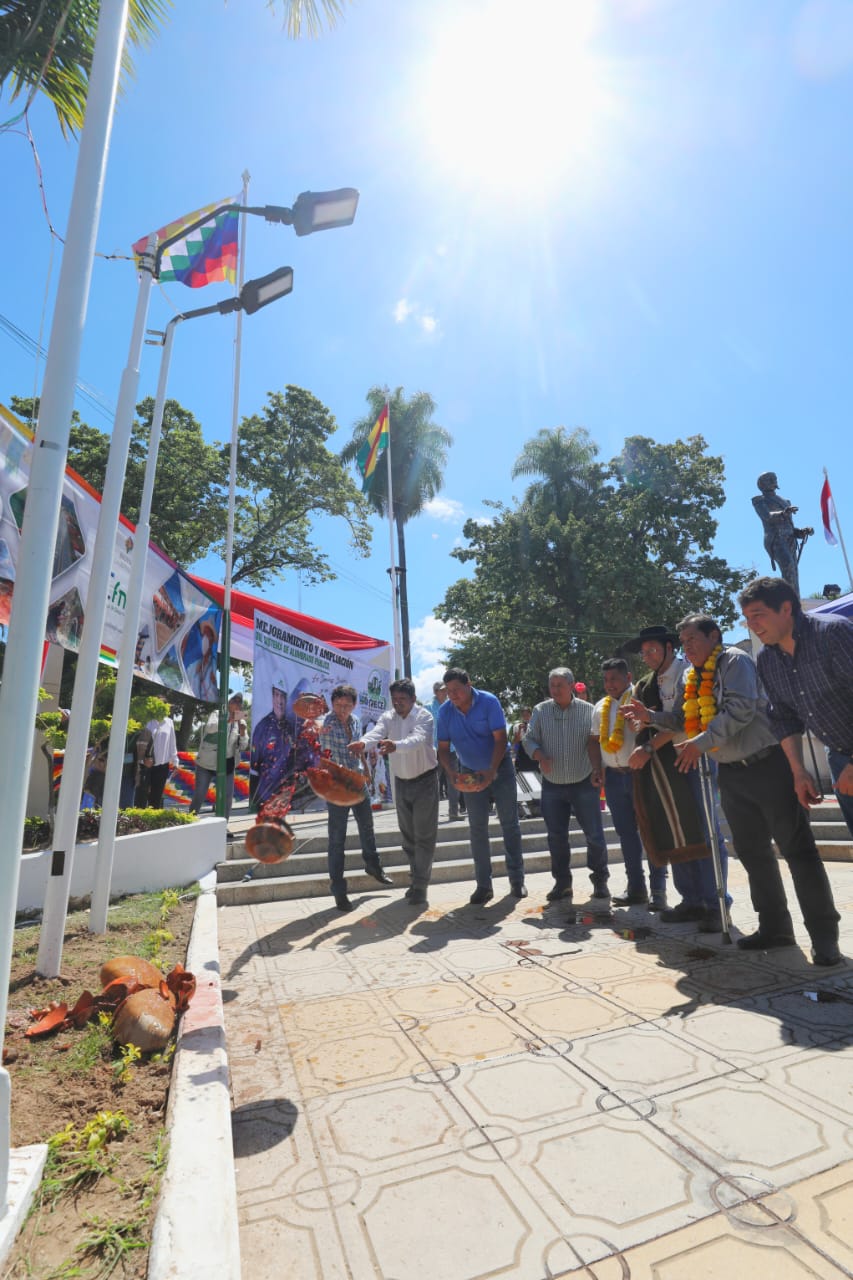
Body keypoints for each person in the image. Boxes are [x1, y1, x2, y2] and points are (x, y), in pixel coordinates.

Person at [626, 613, 842, 966]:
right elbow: (681, 719)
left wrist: (700, 743)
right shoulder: (691, 676)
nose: (687, 648)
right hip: (731, 773)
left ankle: (824, 937)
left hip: (767, 765)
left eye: (692, 639)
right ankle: (775, 927)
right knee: (753, 853)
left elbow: (740, 709)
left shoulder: (734, 661)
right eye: (683, 642)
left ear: (714, 636)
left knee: (797, 851)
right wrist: (650, 716)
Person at [624, 625, 729, 929]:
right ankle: (691, 900)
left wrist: (647, 746)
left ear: (670, 648)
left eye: (652, 650)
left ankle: (716, 904)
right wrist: (638, 724)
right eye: (643, 652)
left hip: (694, 757)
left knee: (706, 830)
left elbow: (682, 722)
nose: (647, 656)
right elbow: (649, 722)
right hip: (665, 766)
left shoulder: (688, 674)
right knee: (676, 829)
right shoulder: (645, 684)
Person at [740, 575, 853, 839]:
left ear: (786, 608)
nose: (751, 625)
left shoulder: (833, 633)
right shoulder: (766, 659)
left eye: (758, 615)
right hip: (838, 758)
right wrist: (799, 771)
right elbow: (783, 718)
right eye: (747, 618)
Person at [436, 667, 526, 904]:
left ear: (469, 684)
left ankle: (517, 880)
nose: (452, 695)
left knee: (510, 823)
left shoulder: (489, 701)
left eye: (457, 690)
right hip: (468, 770)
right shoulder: (445, 712)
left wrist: (491, 771)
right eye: (448, 691)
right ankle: (483, 885)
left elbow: (501, 739)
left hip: (500, 767)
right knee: (477, 828)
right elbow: (443, 748)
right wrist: (452, 774)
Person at [523, 667, 610, 904]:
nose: (555, 690)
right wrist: (539, 754)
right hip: (552, 785)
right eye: (552, 685)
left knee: (594, 835)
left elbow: (598, 742)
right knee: (556, 837)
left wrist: (599, 770)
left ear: (572, 686)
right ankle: (562, 884)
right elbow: (529, 739)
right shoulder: (540, 711)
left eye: (560, 685)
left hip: (584, 782)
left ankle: (600, 880)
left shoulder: (589, 711)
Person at [350, 678, 438, 906]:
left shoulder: (424, 717)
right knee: (408, 838)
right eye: (394, 699)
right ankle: (415, 879)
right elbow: (376, 732)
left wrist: (395, 746)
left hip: (425, 781)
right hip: (401, 783)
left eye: (402, 699)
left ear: (413, 699)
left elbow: (417, 740)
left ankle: (421, 886)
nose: (398, 703)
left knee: (424, 837)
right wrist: (363, 743)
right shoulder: (388, 717)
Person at [590, 658, 668, 909]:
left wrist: (640, 723)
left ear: (629, 677)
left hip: (641, 774)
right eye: (606, 679)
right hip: (614, 777)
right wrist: (597, 769)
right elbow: (594, 741)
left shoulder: (639, 698)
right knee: (626, 835)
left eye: (614, 678)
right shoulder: (600, 707)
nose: (609, 684)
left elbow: (655, 730)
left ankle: (658, 891)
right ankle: (636, 888)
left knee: (651, 831)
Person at [319, 683, 393, 912]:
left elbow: (360, 751)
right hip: (337, 786)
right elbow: (325, 757)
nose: (342, 709)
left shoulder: (356, 721)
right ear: (332, 703)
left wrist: (366, 772)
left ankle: (373, 865)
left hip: (358, 781)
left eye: (347, 705)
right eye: (338, 704)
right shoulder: (326, 724)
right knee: (337, 839)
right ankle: (339, 890)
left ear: (354, 705)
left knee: (367, 826)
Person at [751, 472, 812, 597]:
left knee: (794, 571)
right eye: (770, 479)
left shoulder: (785, 501)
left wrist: (801, 532)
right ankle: (790, 600)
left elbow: (789, 525)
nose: (773, 481)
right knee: (788, 566)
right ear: (762, 484)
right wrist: (783, 513)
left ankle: (795, 600)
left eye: (774, 478)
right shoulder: (759, 500)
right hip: (776, 540)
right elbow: (767, 516)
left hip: (790, 540)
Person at [190, 693, 249, 822]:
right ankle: (189, 821)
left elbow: (243, 746)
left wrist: (243, 732)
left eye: (239, 703)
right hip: (207, 763)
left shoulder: (242, 721)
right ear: (229, 702)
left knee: (227, 797)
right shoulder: (217, 714)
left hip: (227, 764)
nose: (237, 704)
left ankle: (223, 824)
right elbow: (209, 728)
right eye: (234, 701)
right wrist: (227, 721)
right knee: (200, 794)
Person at [250, 681, 298, 809]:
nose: (280, 701)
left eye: (283, 696)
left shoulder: (290, 727)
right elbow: (254, 765)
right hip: (265, 795)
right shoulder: (262, 727)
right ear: (272, 697)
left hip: (285, 793)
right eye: (276, 695)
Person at [430, 681, 463, 820]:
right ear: (435, 692)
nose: (445, 693)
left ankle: (454, 812)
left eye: (445, 690)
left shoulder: (453, 706)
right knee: (433, 783)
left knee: (454, 781)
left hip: (451, 749)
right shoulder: (427, 707)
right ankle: (430, 815)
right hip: (435, 751)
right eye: (442, 690)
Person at [144, 709, 178, 808]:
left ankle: (153, 816)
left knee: (156, 798)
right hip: (146, 765)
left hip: (162, 766)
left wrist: (175, 762)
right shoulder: (147, 721)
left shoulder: (169, 722)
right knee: (143, 796)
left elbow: (172, 744)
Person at [511, 707, 539, 774]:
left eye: (527, 715)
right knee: (521, 769)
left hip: (533, 748)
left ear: (531, 715)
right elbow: (515, 741)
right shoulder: (517, 726)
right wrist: (519, 730)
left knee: (535, 768)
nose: (525, 717)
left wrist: (528, 729)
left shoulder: (536, 725)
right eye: (523, 715)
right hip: (522, 750)